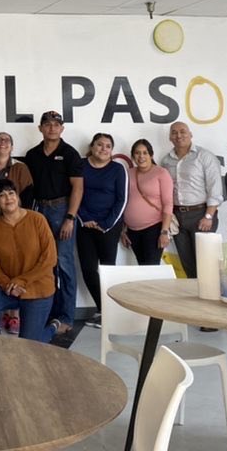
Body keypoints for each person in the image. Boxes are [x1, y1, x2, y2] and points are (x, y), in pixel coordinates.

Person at [23, 110, 83, 336]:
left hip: (61, 210)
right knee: (43, 264)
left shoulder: (70, 154)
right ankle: (48, 313)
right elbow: (28, 188)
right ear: (40, 128)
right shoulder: (32, 155)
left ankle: (66, 317)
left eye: (56, 125)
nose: (52, 128)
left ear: (62, 128)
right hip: (38, 211)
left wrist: (70, 217)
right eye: (47, 124)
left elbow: (78, 188)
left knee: (64, 264)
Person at [0, 179, 57, 343]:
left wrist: (21, 281)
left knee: (28, 345)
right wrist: (8, 285)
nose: (8, 198)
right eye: (2, 195)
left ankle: (52, 328)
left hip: (38, 287)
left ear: (18, 196)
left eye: (11, 193)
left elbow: (49, 258)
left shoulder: (37, 219)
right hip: (8, 287)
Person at [160, 121, 223, 279]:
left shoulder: (205, 156)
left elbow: (215, 188)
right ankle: (194, 294)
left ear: (190, 134)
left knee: (205, 263)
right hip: (177, 217)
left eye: (182, 131)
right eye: (174, 132)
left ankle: (210, 294)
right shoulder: (166, 161)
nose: (178, 135)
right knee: (187, 263)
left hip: (201, 215)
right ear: (170, 137)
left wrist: (208, 216)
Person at [75, 133, 127, 328]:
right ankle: (102, 308)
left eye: (108, 146)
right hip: (85, 225)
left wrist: (106, 224)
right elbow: (74, 193)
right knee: (88, 269)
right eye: (99, 144)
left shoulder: (118, 169)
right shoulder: (81, 165)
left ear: (111, 150)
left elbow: (122, 199)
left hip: (109, 227)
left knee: (107, 269)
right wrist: (84, 218)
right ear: (92, 146)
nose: (103, 149)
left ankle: (109, 311)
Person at [121, 139, 174, 266]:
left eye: (145, 153)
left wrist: (164, 231)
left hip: (154, 229)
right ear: (133, 156)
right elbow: (122, 202)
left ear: (151, 155)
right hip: (132, 231)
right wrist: (123, 230)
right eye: (137, 153)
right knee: (142, 267)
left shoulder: (161, 173)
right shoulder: (128, 173)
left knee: (151, 268)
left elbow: (168, 203)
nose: (141, 156)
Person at [0, 131, 34, 248]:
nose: (3, 142)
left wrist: (20, 219)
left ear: (12, 147)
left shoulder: (21, 168)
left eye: (7, 140)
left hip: (14, 222)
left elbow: (27, 197)